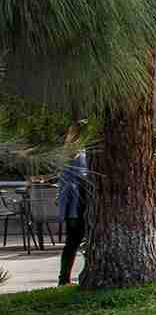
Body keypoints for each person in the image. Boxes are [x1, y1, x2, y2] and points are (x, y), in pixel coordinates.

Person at [56, 122, 90, 286]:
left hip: (73, 206)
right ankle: (66, 278)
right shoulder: (79, 154)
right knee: (79, 240)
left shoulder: (69, 153)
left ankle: (64, 278)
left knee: (73, 241)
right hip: (79, 204)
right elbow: (84, 177)